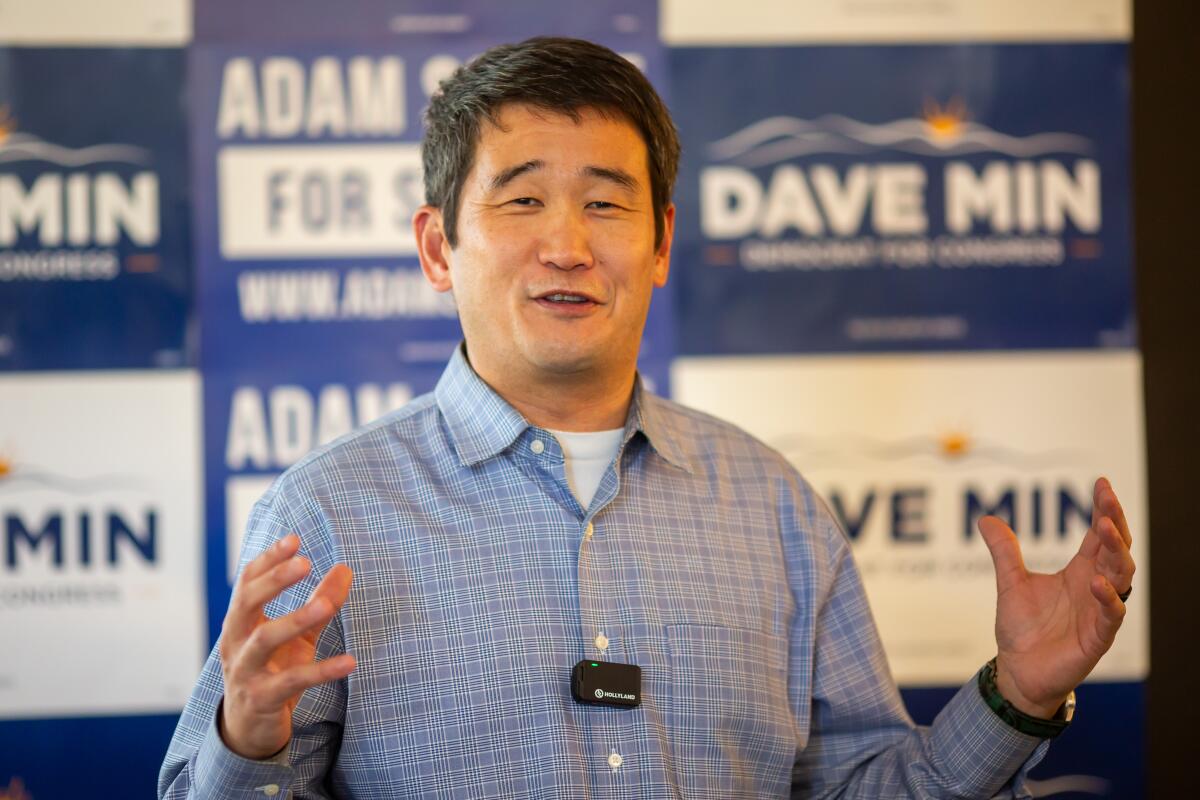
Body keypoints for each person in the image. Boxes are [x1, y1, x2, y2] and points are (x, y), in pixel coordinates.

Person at [160, 37, 1136, 799]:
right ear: (436, 244)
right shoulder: (329, 512)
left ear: (663, 242)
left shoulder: (774, 507)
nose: (568, 245)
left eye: (607, 203)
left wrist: (1018, 692)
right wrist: (246, 741)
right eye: (523, 199)